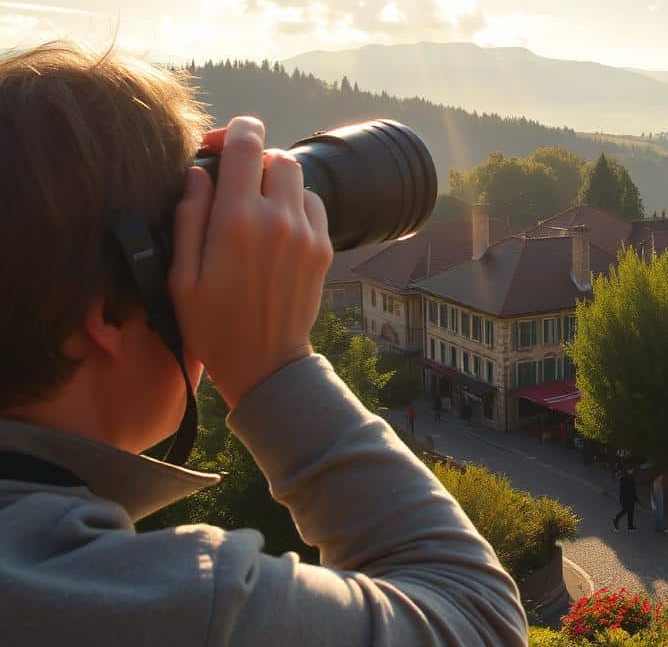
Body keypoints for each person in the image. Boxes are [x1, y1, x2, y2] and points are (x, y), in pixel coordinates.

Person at [0, 42, 527, 645]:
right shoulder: (143, 606)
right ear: (111, 316)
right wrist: (273, 367)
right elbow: (478, 619)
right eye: (199, 242)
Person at [612, 464, 640, 531]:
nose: (633, 470)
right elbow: (625, 489)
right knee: (625, 510)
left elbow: (632, 488)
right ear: (629, 470)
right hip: (626, 498)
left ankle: (630, 526)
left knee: (631, 511)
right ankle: (616, 520)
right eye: (632, 469)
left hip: (630, 497)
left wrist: (635, 497)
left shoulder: (630, 476)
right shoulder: (624, 478)